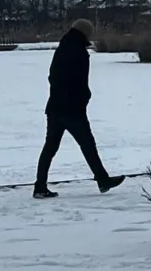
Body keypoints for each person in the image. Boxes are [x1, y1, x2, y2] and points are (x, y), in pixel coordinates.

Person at [33, 19, 125, 199]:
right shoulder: (80, 53)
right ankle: (103, 180)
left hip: (55, 107)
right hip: (73, 110)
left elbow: (53, 77)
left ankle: (40, 186)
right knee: (88, 145)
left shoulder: (61, 49)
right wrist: (84, 97)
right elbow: (80, 82)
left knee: (50, 148)